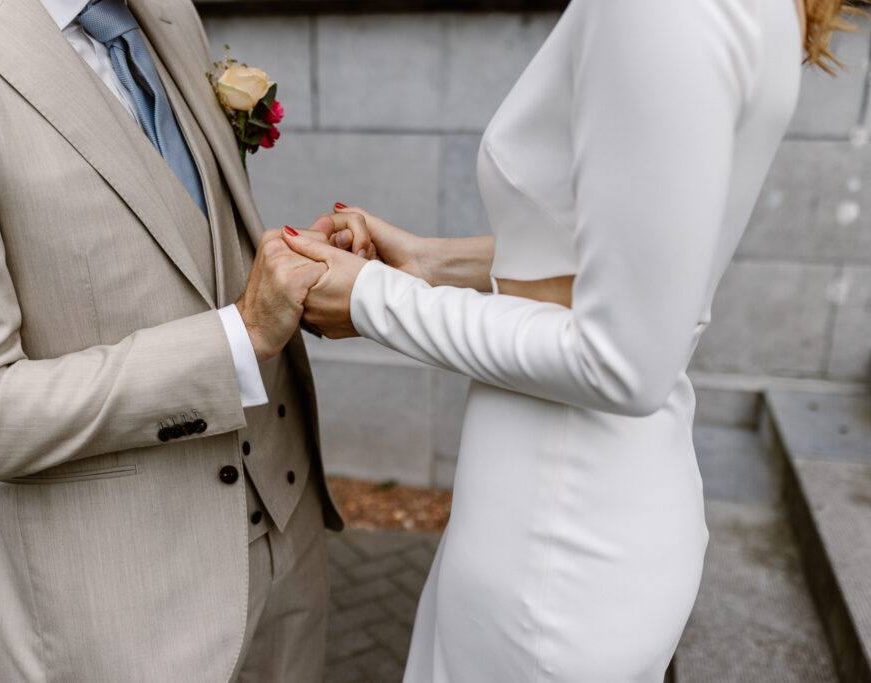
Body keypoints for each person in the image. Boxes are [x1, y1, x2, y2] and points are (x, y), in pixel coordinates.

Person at [282, 0, 859, 679]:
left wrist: (372, 299)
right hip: (562, 522)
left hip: (554, 556)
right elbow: (625, 258)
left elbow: (622, 363)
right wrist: (432, 263)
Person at [0, 0, 369, 680]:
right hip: (127, 610)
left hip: (290, 544)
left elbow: (189, 246)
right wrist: (235, 339)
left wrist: (295, 277)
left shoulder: (167, 10)